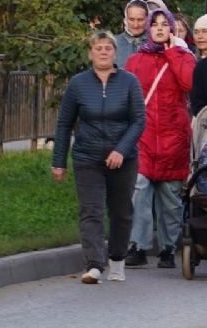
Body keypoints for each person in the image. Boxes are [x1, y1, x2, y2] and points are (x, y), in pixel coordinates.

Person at [51, 32, 146, 284]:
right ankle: (94, 264)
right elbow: (64, 124)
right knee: (91, 211)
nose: (103, 52)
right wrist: (58, 161)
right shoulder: (78, 84)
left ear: (115, 53)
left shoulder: (129, 82)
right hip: (87, 157)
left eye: (108, 48)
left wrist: (121, 150)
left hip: (122, 159)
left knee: (121, 211)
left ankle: (117, 259)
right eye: (98, 48)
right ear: (90, 53)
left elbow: (138, 121)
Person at [122, 8, 196, 268]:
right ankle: (138, 245)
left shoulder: (184, 57)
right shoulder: (136, 60)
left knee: (170, 197)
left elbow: (189, 83)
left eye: (166, 24)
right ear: (149, 29)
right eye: (156, 24)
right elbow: (127, 95)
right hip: (143, 135)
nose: (160, 28)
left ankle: (167, 247)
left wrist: (173, 53)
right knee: (139, 190)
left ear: (173, 29)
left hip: (172, 136)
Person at [115, 0, 149, 66]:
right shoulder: (114, 43)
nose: (135, 25)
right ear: (125, 19)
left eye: (140, 20)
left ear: (147, 19)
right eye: (131, 19)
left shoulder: (155, 44)